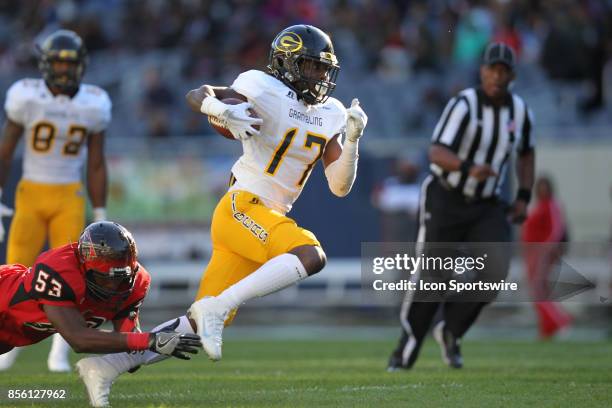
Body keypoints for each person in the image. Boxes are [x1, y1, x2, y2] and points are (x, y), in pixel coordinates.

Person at [75, 24, 368, 407]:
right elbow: (199, 94)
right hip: (242, 206)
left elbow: (339, 187)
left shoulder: (331, 112)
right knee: (309, 254)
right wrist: (220, 110)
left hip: (263, 217)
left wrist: (353, 142)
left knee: (196, 324)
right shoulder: (264, 87)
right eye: (310, 67)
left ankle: (106, 367)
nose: (319, 76)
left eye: (322, 68)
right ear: (286, 64)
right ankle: (220, 306)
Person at [388, 42, 535, 370]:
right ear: (483, 72)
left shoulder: (520, 112)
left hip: (486, 203)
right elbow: (436, 152)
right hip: (447, 195)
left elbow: (526, 152)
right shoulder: (464, 105)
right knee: (433, 276)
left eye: (504, 71)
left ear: (512, 75)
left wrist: (524, 195)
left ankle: (451, 329)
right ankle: (408, 342)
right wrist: (469, 168)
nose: (497, 76)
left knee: (495, 271)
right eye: (492, 69)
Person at [0, 29, 110, 372]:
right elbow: (5, 151)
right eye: (58, 65)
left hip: (69, 195)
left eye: (70, 65)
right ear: (46, 65)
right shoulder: (26, 97)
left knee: (71, 277)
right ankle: (9, 346)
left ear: (81, 66)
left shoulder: (93, 103)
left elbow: (96, 161)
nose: (64, 71)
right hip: (30, 193)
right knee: (13, 271)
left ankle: (59, 351)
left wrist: (101, 210)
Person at [0, 221, 201, 364]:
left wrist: (152, 343)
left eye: (121, 279)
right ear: (84, 266)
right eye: (105, 278)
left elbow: (130, 346)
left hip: (11, 332)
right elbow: (79, 339)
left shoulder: (138, 281)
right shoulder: (58, 270)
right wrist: (150, 340)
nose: (113, 287)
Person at [521, 176, 572, 339]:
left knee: (538, 291)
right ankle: (547, 327)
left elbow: (556, 230)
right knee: (538, 290)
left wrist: (545, 250)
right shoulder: (540, 206)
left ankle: (560, 321)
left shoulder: (551, 205)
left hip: (541, 253)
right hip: (532, 253)